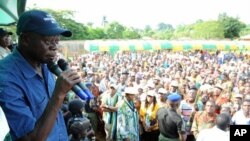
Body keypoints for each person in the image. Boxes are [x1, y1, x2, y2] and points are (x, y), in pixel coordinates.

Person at [0, 10, 80, 141]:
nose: (55, 47)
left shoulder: (44, 63)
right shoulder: (6, 78)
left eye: (57, 41)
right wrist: (59, 94)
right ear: (25, 39)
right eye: (49, 41)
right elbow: (30, 138)